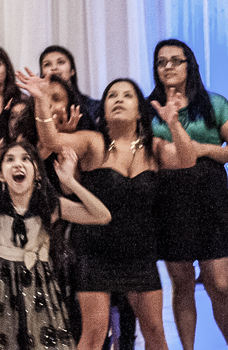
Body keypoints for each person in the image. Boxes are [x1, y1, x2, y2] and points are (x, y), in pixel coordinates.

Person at [17, 69, 196, 350]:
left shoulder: (155, 148)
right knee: (94, 334)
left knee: (155, 332)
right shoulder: (93, 142)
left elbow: (187, 160)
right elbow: (51, 141)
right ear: (103, 109)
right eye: (112, 95)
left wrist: (173, 123)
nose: (119, 99)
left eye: (127, 95)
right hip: (96, 250)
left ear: (139, 110)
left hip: (140, 251)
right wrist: (40, 99)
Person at [0, 142, 111, 350]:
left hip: (39, 296)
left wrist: (70, 181)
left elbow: (102, 215)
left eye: (26, 159)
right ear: (1, 175)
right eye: (10, 159)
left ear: (38, 174)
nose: (18, 164)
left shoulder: (49, 207)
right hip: (0, 297)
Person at [149, 38, 228, 350]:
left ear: (189, 65)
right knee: (181, 284)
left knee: (220, 284)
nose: (167, 66)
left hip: (211, 198)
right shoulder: (149, 108)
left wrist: (203, 149)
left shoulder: (215, 104)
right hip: (169, 200)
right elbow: (161, 155)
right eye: (161, 62)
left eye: (175, 60)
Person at [40, 46, 100, 125]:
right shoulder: (37, 105)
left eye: (61, 62)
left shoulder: (93, 107)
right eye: (47, 64)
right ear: (42, 73)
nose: (54, 68)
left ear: (72, 71)